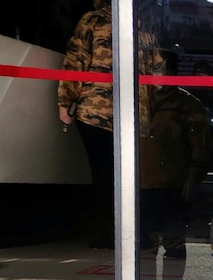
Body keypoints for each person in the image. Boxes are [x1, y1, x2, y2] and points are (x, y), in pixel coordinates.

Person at [57, 0, 162, 250]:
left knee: (103, 175)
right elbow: (158, 74)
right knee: (132, 177)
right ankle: (137, 233)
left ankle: (109, 233)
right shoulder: (142, 26)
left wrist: (65, 102)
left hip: (95, 112)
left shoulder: (92, 20)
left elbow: (76, 60)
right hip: (136, 115)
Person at [138, 51, 212, 280]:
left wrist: (193, 178)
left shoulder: (188, 105)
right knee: (145, 245)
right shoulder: (138, 101)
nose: (156, 73)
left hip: (174, 185)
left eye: (160, 67)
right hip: (143, 184)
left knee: (173, 243)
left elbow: (201, 146)